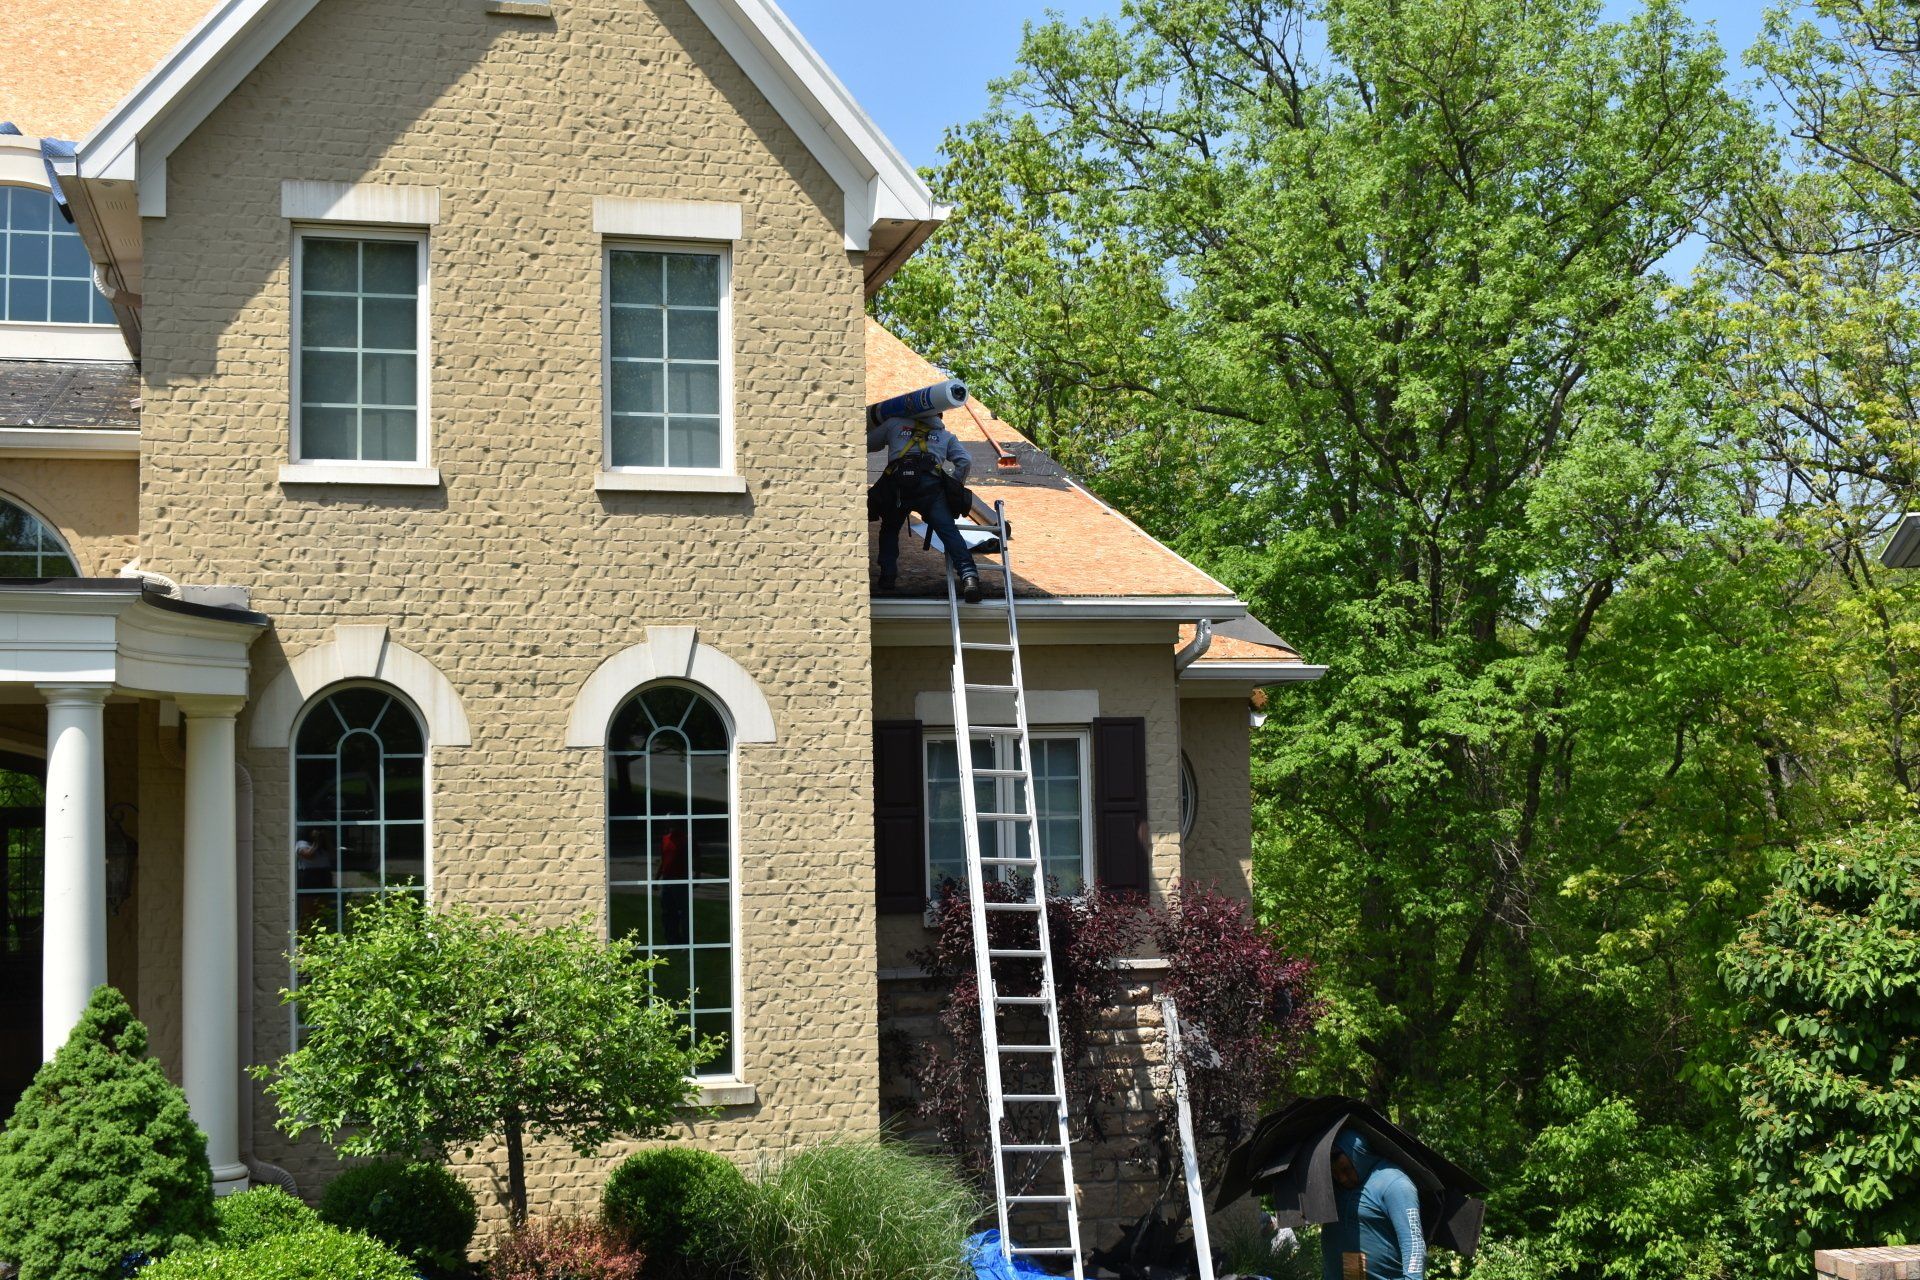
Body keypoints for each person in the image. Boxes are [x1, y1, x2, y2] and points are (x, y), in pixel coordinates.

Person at [868, 409, 983, 602]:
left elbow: (866, 443)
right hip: (930, 491)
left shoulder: (894, 423)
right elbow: (965, 461)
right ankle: (969, 578)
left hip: (898, 489)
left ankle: (887, 576)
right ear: (939, 416)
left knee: (890, 529)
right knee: (948, 531)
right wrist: (954, 485)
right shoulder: (945, 435)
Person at [1322, 1129, 1426, 1280]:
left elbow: (1414, 1244)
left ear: (1358, 1155)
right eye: (1336, 1173)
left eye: (1346, 1170)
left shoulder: (1394, 1184)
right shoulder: (1333, 1187)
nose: (1343, 1179)